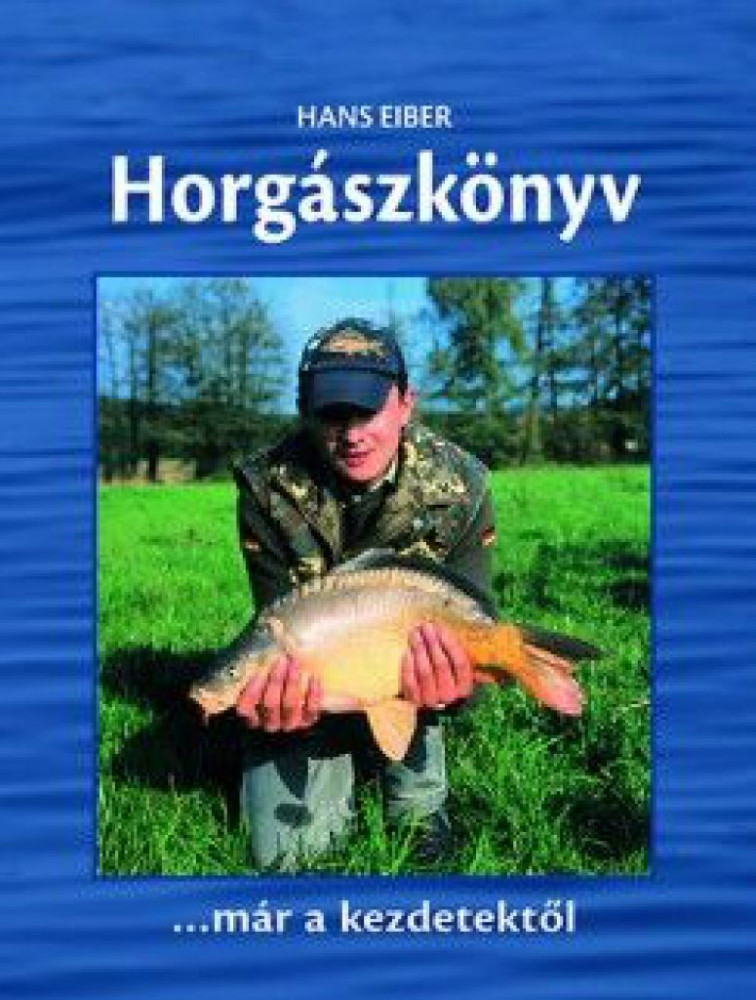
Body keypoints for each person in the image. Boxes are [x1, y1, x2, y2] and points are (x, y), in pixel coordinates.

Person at [231, 317, 498, 869]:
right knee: (286, 859)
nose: (352, 436)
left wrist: (456, 689)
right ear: (305, 412)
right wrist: (280, 700)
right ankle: (332, 755)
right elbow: (278, 626)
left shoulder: (462, 486)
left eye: (368, 411)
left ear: (405, 404)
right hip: (321, 668)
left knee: (430, 662)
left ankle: (418, 796)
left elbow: (479, 624)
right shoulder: (266, 486)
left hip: (407, 673)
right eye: (333, 415)